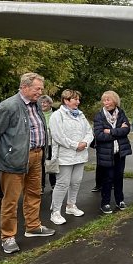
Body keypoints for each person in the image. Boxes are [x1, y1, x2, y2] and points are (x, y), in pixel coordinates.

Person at [0, 72, 55, 255]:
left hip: (36, 156)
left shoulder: (36, 105)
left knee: (34, 193)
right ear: (24, 87)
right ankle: (8, 237)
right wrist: (4, 154)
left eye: (41, 88)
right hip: (13, 161)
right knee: (11, 200)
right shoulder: (8, 106)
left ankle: (33, 226)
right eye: (37, 88)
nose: (40, 92)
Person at [48, 89, 93, 225]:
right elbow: (58, 136)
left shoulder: (80, 115)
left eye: (78, 99)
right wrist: (75, 145)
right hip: (64, 157)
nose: (78, 102)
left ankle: (71, 206)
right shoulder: (57, 116)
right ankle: (55, 212)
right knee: (62, 184)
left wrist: (85, 143)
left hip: (80, 155)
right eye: (75, 99)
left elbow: (89, 131)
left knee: (76, 181)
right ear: (66, 100)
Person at [93, 90, 133, 215]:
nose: (106, 103)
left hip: (120, 152)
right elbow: (99, 135)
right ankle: (105, 203)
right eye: (104, 100)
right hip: (106, 152)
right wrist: (118, 131)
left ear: (115, 101)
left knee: (119, 176)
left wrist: (110, 131)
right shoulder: (99, 116)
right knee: (107, 178)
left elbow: (126, 130)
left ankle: (119, 200)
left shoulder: (121, 113)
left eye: (108, 100)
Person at [39, 95, 57, 193]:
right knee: (40, 165)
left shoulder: (56, 113)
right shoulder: (37, 113)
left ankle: (53, 184)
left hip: (52, 143)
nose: (43, 104)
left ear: (50, 104)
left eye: (45, 102)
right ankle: (41, 186)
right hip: (41, 144)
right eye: (41, 102)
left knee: (52, 163)